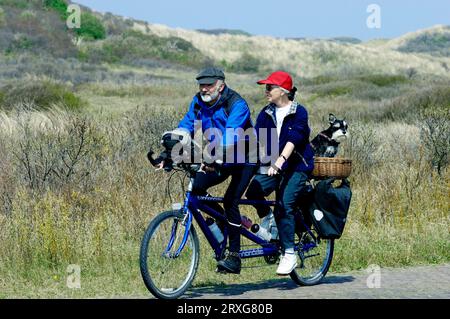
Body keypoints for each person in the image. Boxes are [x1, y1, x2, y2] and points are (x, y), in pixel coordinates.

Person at [157, 67, 255, 274]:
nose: (204, 88)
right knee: (198, 189)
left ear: (221, 85)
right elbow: (185, 127)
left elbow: (231, 135)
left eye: (209, 84)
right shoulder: (199, 101)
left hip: (245, 157)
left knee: (230, 201)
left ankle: (234, 258)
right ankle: (223, 224)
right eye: (201, 84)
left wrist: (214, 157)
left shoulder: (237, 104)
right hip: (218, 155)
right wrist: (169, 153)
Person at [245, 71, 314, 275]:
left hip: (296, 167)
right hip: (273, 166)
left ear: (283, 91)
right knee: (254, 192)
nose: (266, 91)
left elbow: (293, 139)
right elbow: (257, 141)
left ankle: (290, 254)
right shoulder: (266, 113)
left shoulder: (299, 112)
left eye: (269, 87)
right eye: (265, 87)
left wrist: (280, 161)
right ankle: (270, 221)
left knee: (284, 204)